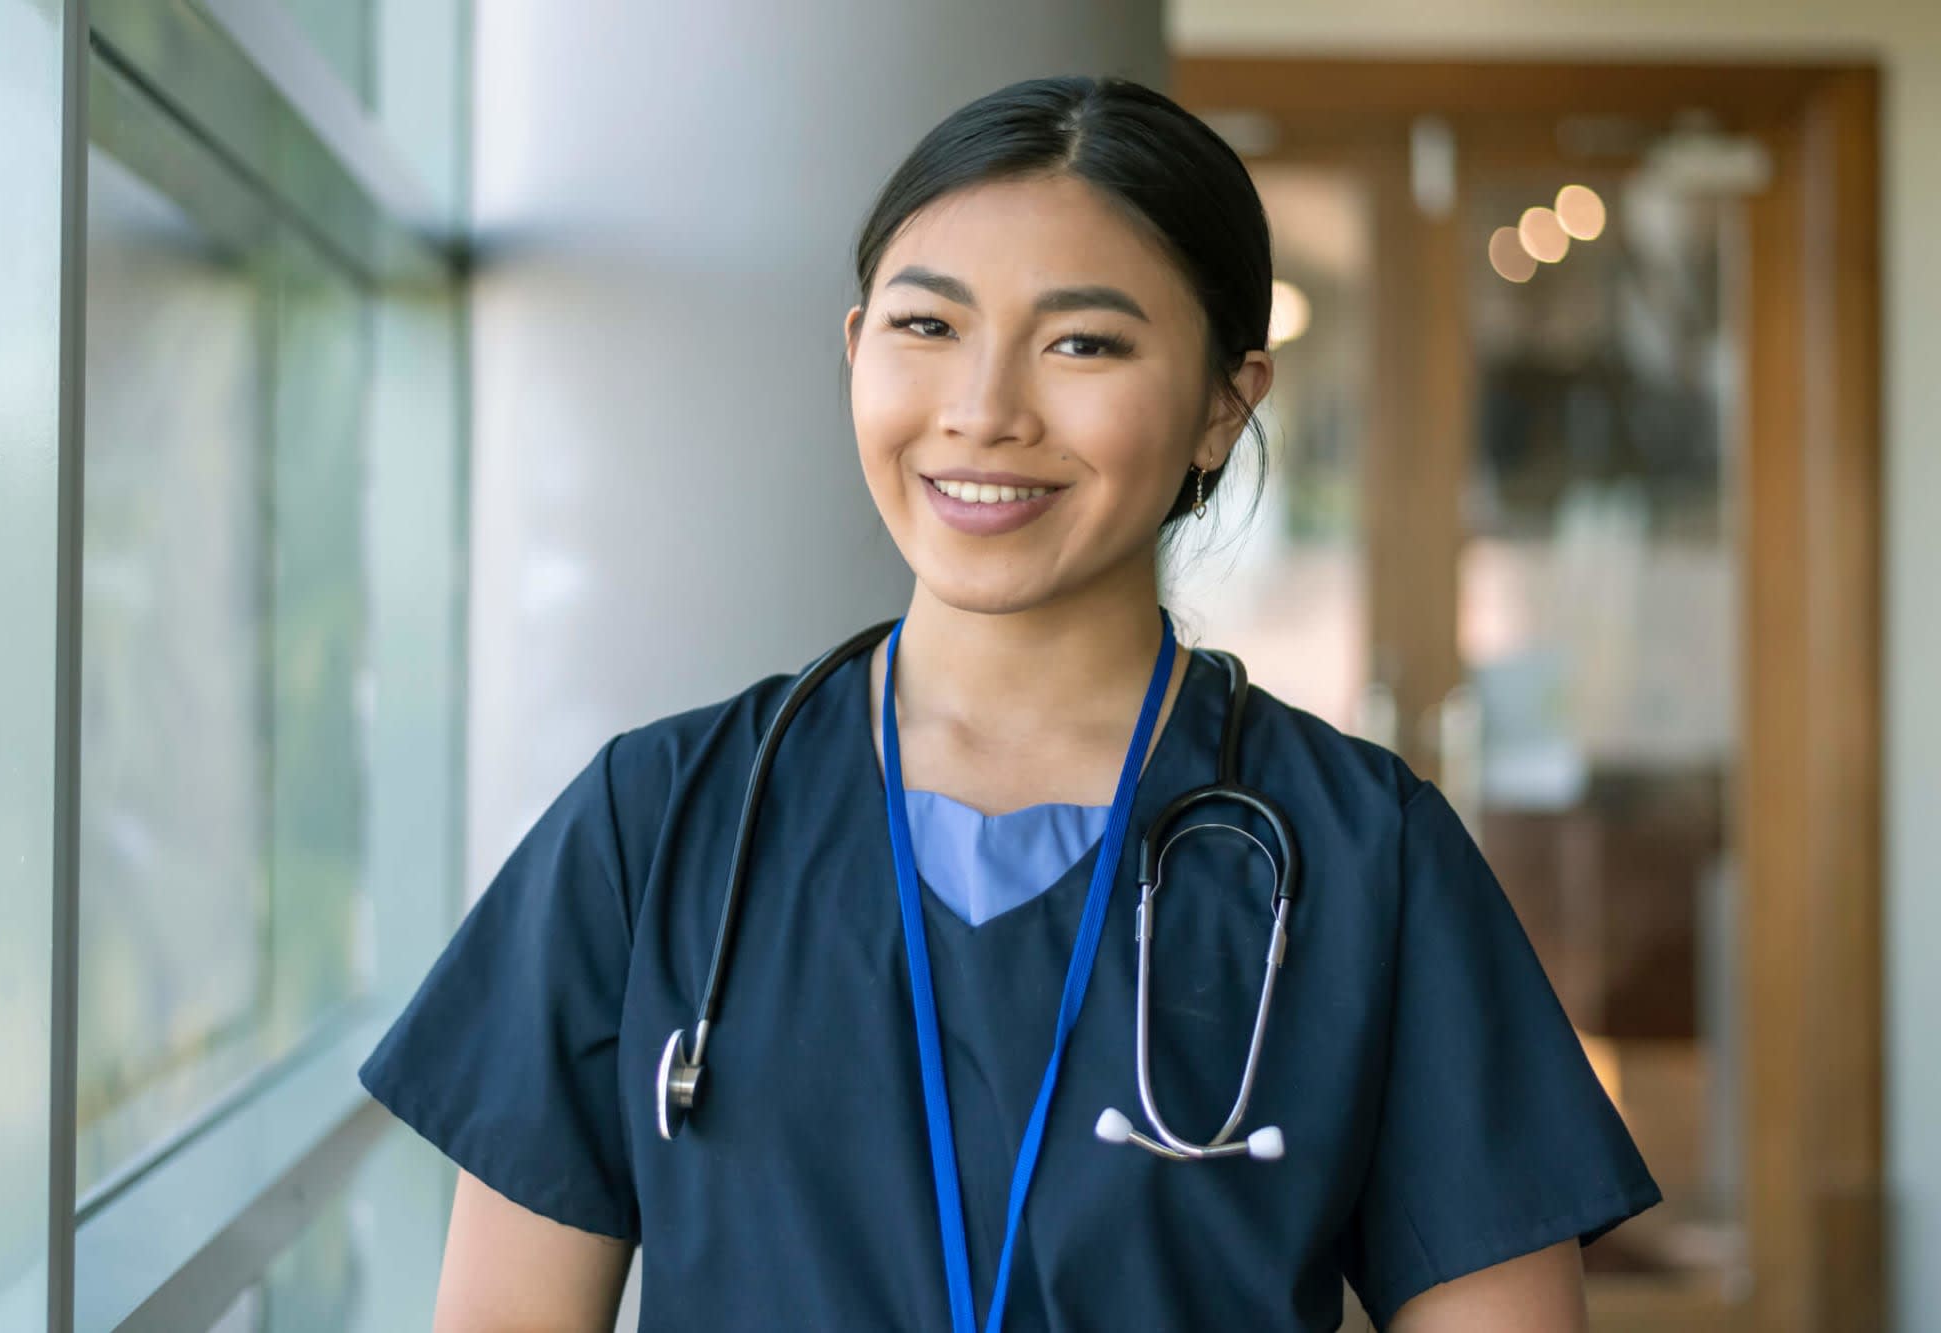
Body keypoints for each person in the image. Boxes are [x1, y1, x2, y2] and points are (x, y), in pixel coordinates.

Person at [359, 74, 1660, 1332]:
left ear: (1224, 403)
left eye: (1083, 343)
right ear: (857, 349)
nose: (984, 412)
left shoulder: (1366, 851)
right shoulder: (657, 824)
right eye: (928, 327)